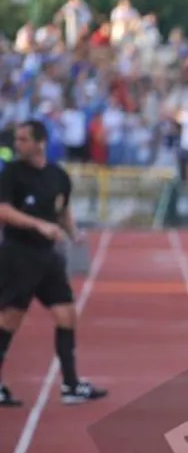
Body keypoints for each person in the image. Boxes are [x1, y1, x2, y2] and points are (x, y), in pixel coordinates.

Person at [0, 120, 107, 407]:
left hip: (48, 258)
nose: (17, 144)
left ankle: (71, 385)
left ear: (41, 142)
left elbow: (63, 208)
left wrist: (73, 233)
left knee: (67, 315)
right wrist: (38, 225)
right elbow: (3, 211)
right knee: (10, 319)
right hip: (18, 255)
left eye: (23, 139)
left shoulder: (57, 175)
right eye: (17, 139)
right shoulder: (11, 173)